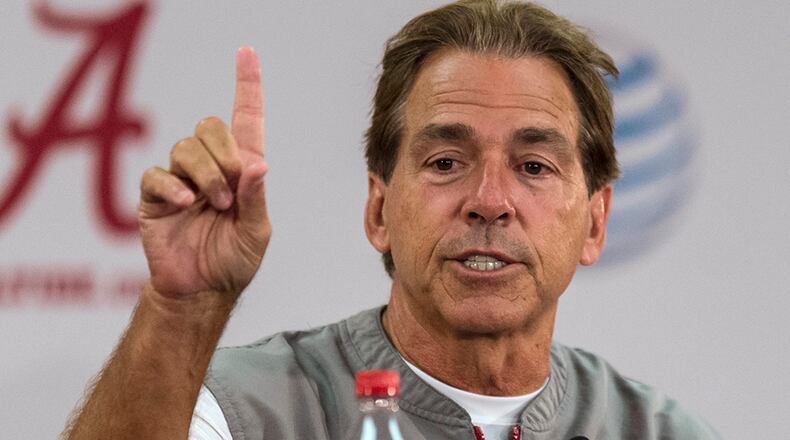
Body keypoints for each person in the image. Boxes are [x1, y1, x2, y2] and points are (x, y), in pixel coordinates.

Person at [63, 1, 719, 439]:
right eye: (444, 161)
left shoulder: (657, 430)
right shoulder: (247, 411)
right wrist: (184, 308)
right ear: (378, 208)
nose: (489, 200)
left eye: (534, 167)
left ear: (596, 222)